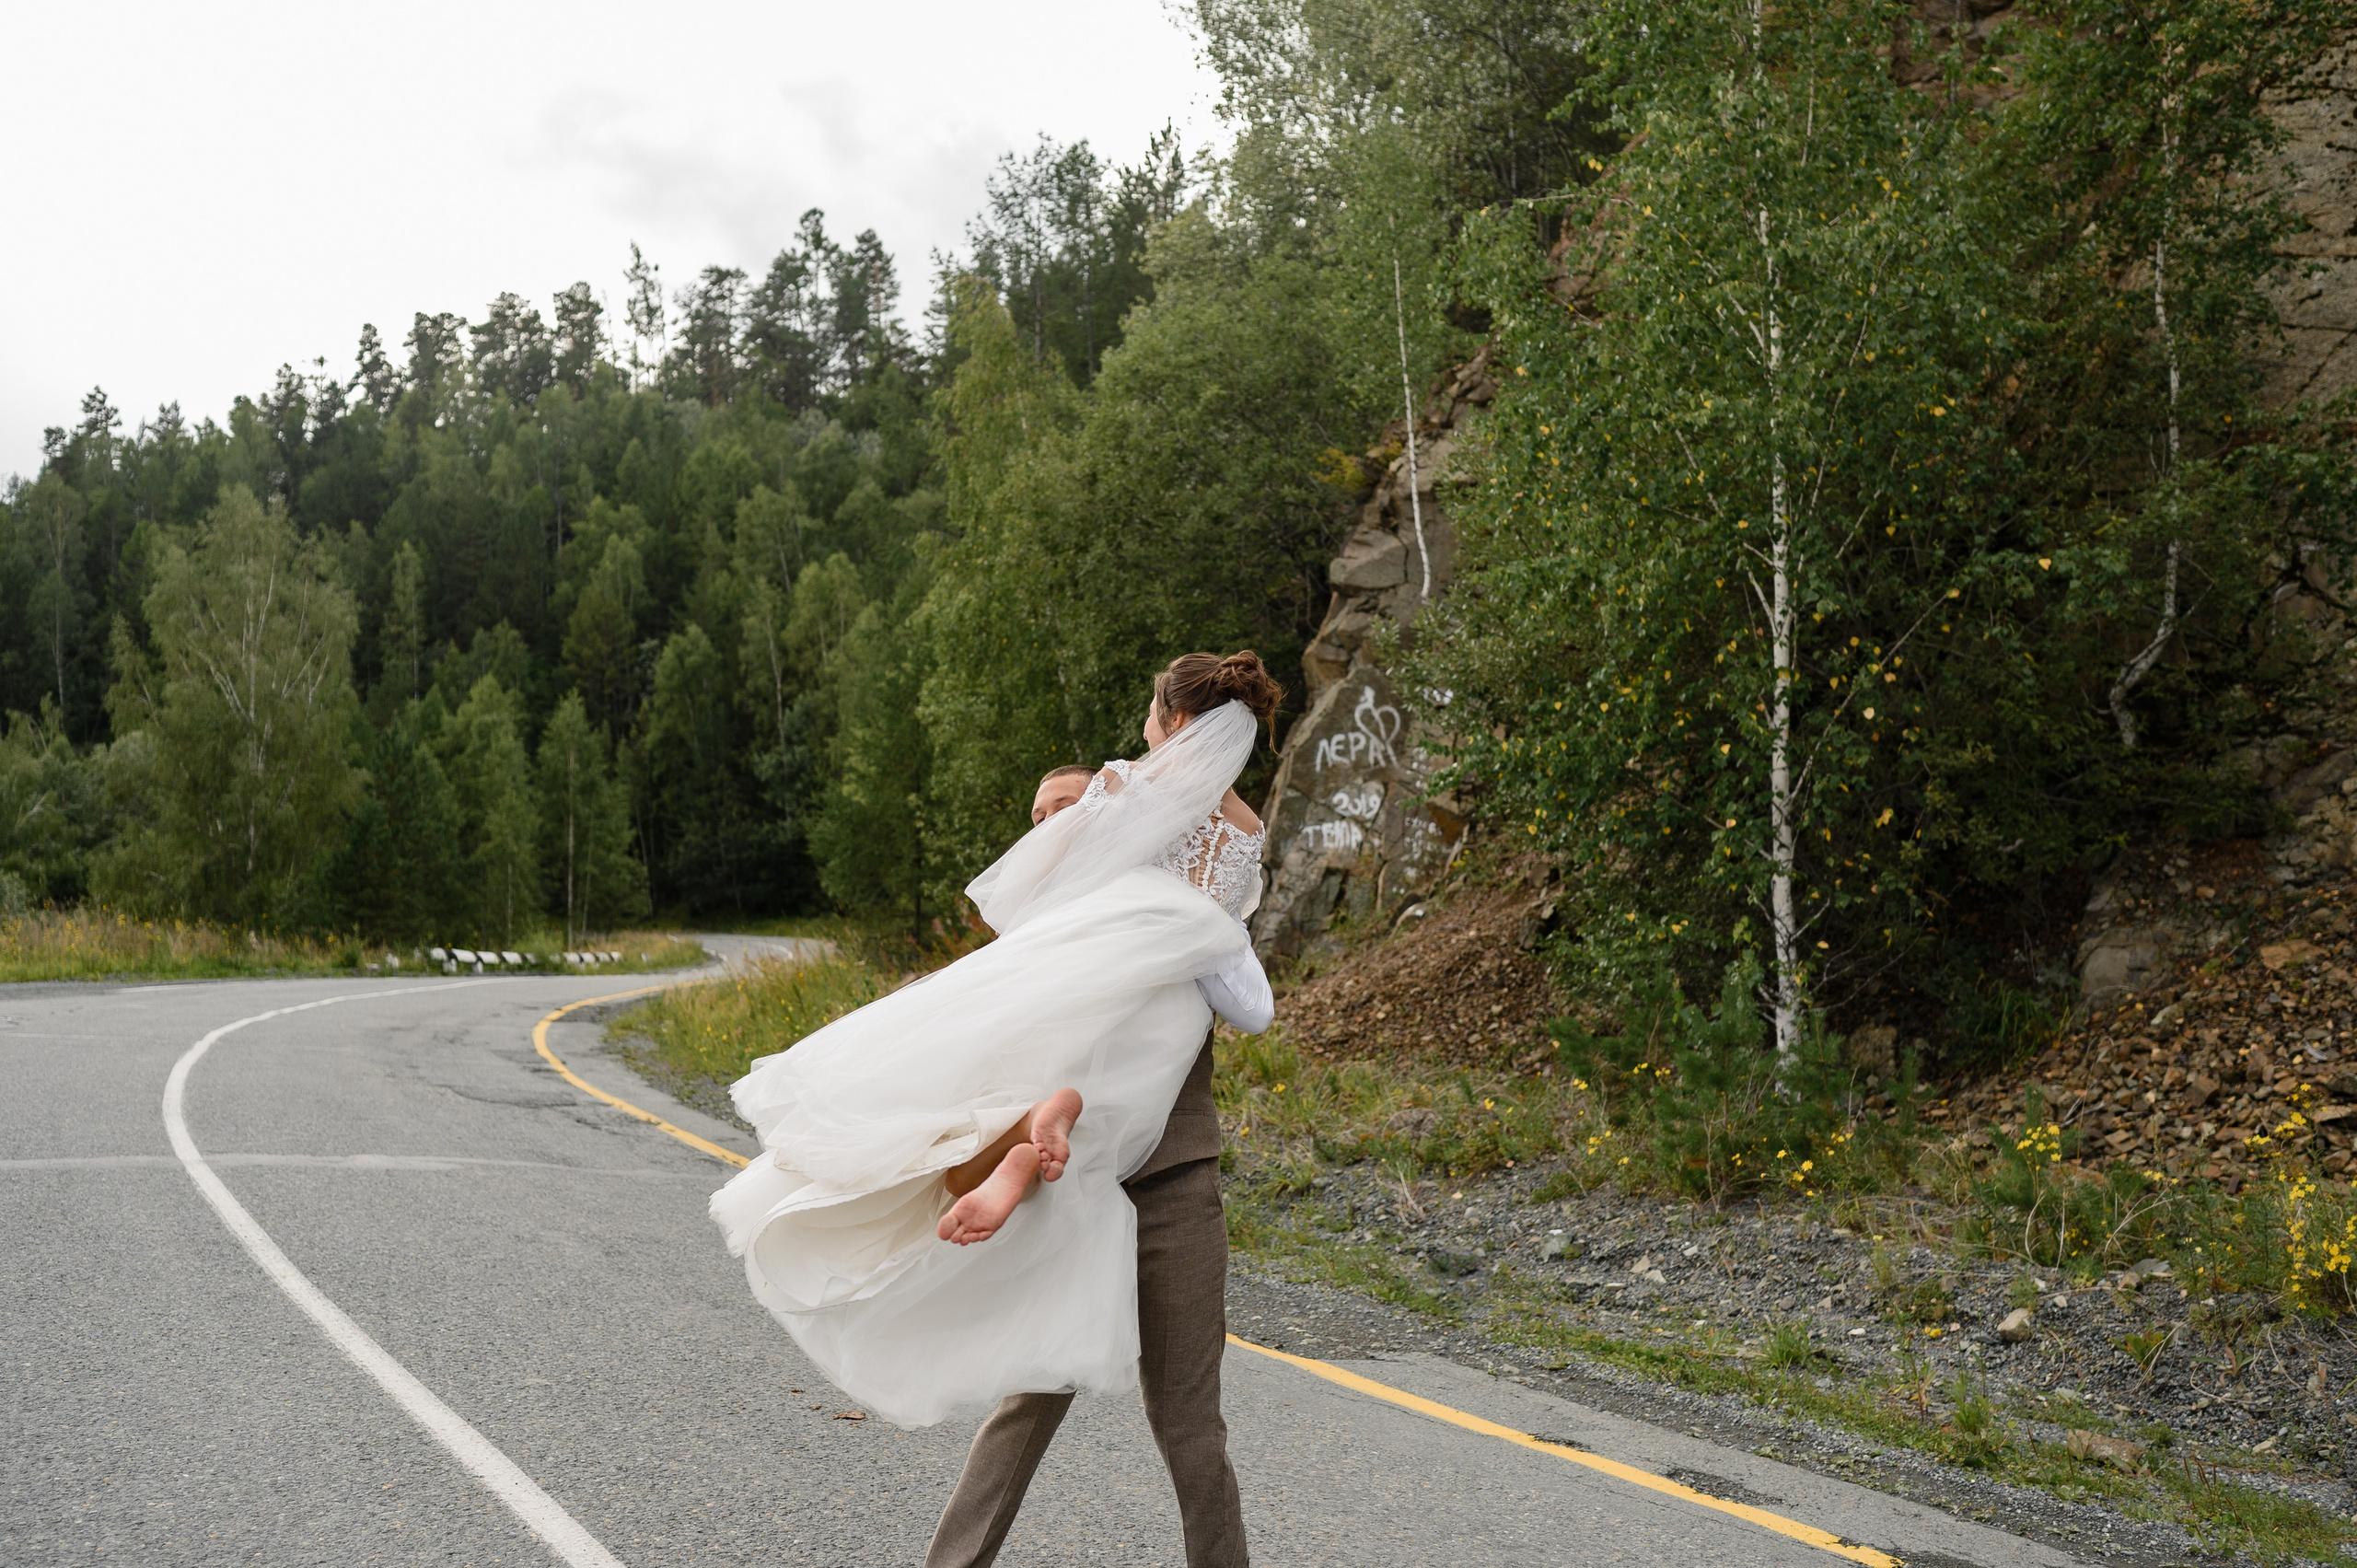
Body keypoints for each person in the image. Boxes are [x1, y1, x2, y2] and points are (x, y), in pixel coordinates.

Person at [708, 651, 1283, 1467]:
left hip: (1101, 967)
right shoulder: (1246, 831)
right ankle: (1042, 1120)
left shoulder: (1127, 784)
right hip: (1173, 994)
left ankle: (1027, 1124)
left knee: (1013, 1067)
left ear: (1178, 722)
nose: (1147, 732)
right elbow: (1241, 985)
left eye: (1154, 718)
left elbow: (1033, 890)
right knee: (1126, 1085)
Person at [922, 740, 1268, 1568]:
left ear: (1115, 814)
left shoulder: (1176, 908)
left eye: (1066, 807)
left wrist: (1175, 748)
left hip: (1178, 1186)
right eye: (1035, 817)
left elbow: (1248, 979)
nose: (1047, 824)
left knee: (1188, 1422)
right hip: (1070, 1185)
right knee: (1027, 1402)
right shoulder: (1030, 944)